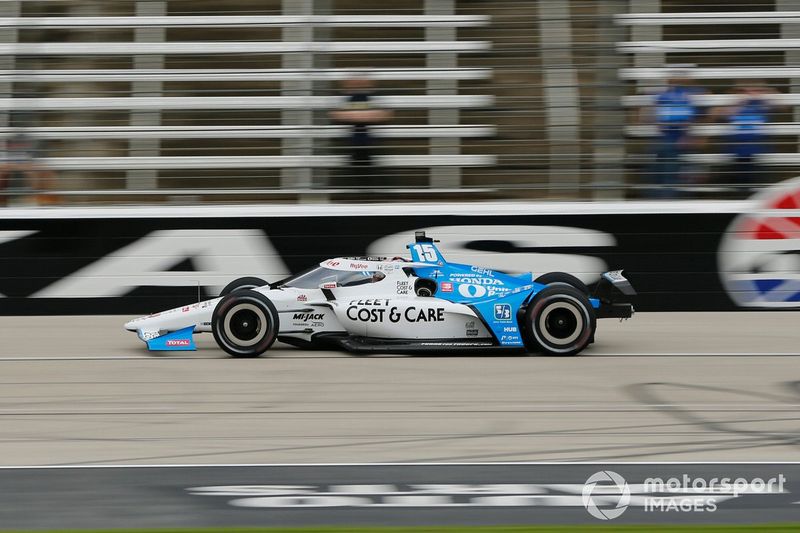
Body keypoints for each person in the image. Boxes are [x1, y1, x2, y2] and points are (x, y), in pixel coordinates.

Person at [640, 68, 705, 197]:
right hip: (668, 138)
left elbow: (690, 117)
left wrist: (687, 134)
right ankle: (662, 197)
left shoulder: (688, 95)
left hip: (674, 139)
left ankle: (665, 197)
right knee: (664, 170)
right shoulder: (669, 95)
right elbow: (648, 116)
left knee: (668, 172)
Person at [711, 80, 780, 193]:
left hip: (757, 153)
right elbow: (715, 113)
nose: (750, 93)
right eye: (744, 90)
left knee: (756, 186)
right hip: (736, 153)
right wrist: (738, 102)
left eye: (755, 90)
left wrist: (767, 93)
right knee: (737, 187)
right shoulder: (735, 104)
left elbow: (782, 105)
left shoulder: (761, 104)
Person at [329, 77, 392, 184]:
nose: (357, 83)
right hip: (351, 142)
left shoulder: (371, 97)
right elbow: (336, 115)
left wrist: (354, 115)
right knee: (354, 169)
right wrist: (365, 115)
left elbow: (384, 114)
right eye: (354, 81)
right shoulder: (347, 98)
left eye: (361, 81)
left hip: (370, 142)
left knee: (368, 169)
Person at [0, 133, 56, 206]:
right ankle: (2, 202)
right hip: (11, 164)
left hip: (27, 163)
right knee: (2, 171)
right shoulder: (8, 145)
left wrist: (27, 165)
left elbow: (36, 161)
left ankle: (41, 201)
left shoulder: (31, 144)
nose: (17, 146)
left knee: (41, 172)